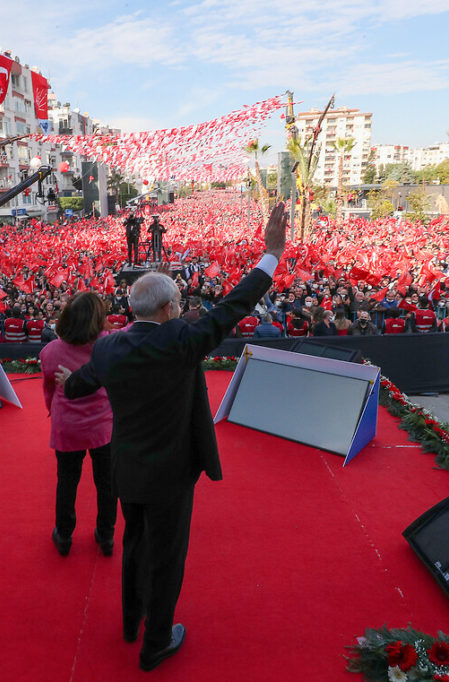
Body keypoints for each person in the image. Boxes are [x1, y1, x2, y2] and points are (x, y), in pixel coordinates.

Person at [58, 201, 286, 672]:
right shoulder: (182, 340)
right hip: (171, 475)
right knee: (167, 557)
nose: (182, 310)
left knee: (135, 544)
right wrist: (272, 254)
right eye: (179, 304)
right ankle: (156, 642)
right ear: (167, 309)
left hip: (127, 470)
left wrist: (67, 382)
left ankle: (130, 622)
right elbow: (234, 306)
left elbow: (82, 385)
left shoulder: (108, 346)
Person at [39, 292, 116, 558]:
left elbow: (48, 389)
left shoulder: (50, 352)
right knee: (107, 484)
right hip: (102, 427)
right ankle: (106, 535)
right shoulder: (108, 345)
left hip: (68, 426)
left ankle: (64, 535)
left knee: (67, 482)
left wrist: (54, 410)